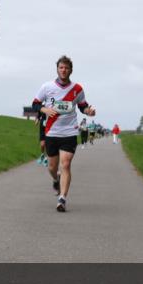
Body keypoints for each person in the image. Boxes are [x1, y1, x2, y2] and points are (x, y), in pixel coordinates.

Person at [32, 56, 96, 212]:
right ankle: (56, 179)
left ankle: (62, 199)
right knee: (52, 167)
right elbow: (35, 104)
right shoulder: (46, 87)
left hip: (69, 132)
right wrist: (44, 109)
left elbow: (82, 106)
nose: (63, 70)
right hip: (51, 132)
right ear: (57, 69)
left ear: (71, 70)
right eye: (61, 67)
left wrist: (89, 111)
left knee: (65, 164)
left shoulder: (77, 89)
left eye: (66, 68)